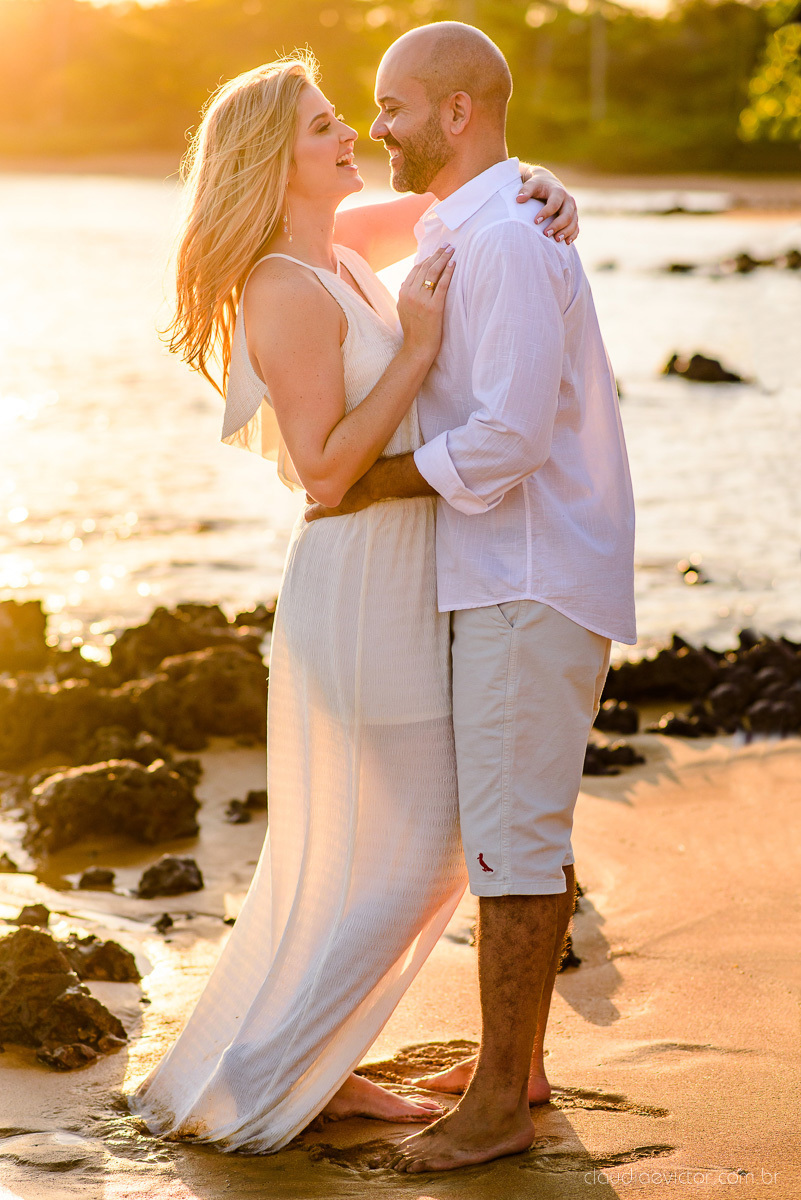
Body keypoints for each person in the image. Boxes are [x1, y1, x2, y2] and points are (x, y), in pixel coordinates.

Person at [127, 50, 579, 1154]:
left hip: (409, 569)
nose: (353, 138)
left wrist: (555, 189)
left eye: (351, 118)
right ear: (273, 160)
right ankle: (276, 1071)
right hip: (362, 576)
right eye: (328, 125)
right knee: (427, 843)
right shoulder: (283, 286)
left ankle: (310, 1061)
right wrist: (419, 345)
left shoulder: (334, 245)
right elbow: (325, 471)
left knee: (382, 844)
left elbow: (464, 204)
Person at [305, 22, 637, 1173]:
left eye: (393, 105)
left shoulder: (501, 239)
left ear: (456, 113)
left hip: (529, 571)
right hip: (505, 572)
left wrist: (367, 485)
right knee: (511, 828)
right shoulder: (479, 221)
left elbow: (508, 437)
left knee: (517, 842)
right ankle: (521, 1065)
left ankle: (500, 1104)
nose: (375, 124)